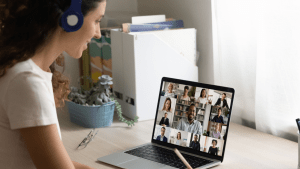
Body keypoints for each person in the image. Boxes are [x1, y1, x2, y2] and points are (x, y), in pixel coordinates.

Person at [0, 0, 106, 168]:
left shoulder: (27, 69)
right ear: (72, 18)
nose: (98, 33)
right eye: (97, 21)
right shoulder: (27, 81)